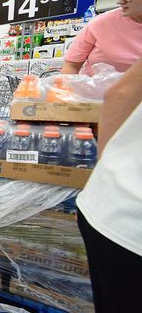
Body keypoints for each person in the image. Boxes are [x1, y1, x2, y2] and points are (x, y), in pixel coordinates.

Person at [76, 58, 142, 312]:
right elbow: (119, 94)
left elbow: (120, 94)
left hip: (116, 208)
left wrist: (108, 170)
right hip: (126, 223)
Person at [62, 0, 142, 75]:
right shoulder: (101, 23)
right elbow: (71, 65)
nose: (120, 1)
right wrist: (68, 89)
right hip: (94, 89)